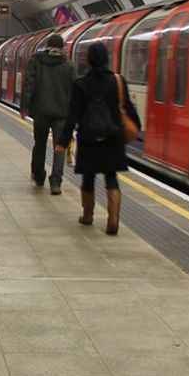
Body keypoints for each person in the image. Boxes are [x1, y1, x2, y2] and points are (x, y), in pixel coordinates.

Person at [57, 42, 140, 233]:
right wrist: (136, 127)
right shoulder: (118, 82)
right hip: (113, 137)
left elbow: (73, 116)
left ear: (88, 61)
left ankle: (88, 215)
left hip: (89, 138)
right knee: (111, 177)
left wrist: (62, 141)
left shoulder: (81, 84)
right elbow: (127, 107)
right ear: (107, 59)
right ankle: (113, 221)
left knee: (88, 178)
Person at [20, 34, 75, 194]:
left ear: (47, 45)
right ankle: (56, 182)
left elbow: (29, 84)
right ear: (62, 47)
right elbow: (74, 90)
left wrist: (24, 107)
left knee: (40, 144)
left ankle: (39, 176)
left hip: (41, 111)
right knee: (59, 146)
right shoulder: (68, 65)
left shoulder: (35, 61)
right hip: (62, 113)